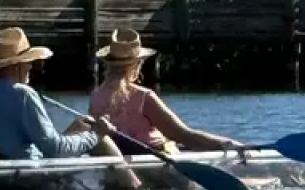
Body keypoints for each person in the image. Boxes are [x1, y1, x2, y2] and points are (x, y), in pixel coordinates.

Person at [0, 26, 142, 190]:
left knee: (82, 126)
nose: (30, 66)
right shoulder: (22, 93)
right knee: (102, 141)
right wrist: (97, 134)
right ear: (16, 65)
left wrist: (81, 131)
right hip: (24, 177)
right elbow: (55, 150)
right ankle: (135, 189)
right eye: (27, 62)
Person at [88, 27, 247, 155]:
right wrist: (227, 144)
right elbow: (182, 134)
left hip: (123, 156)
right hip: (157, 156)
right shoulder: (143, 96)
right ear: (137, 64)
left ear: (108, 63)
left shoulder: (96, 97)